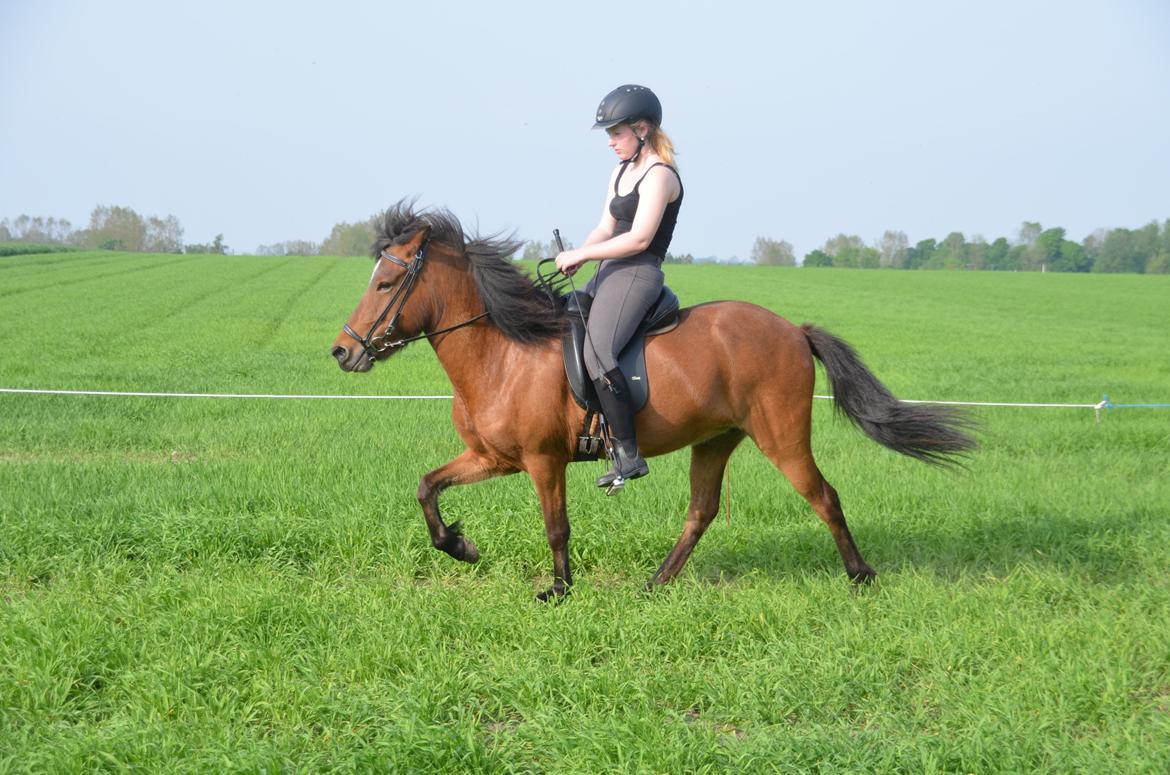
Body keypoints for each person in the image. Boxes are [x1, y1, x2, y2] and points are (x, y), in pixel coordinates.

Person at [555, 84, 684, 488]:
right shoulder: (621, 171)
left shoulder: (660, 175)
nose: (611, 142)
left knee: (597, 351)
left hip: (637, 272)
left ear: (642, 129)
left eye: (617, 133)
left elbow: (640, 238)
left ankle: (627, 453)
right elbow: (606, 228)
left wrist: (583, 257)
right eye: (609, 134)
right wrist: (580, 251)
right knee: (566, 319)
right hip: (609, 269)